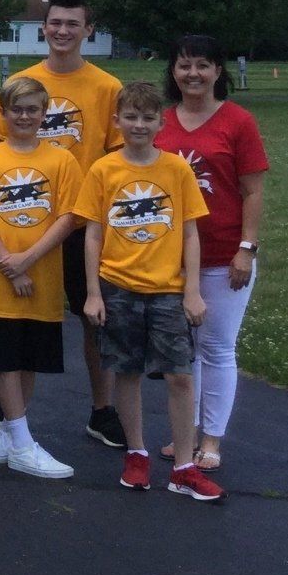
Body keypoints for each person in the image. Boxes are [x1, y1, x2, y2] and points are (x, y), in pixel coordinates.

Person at [0, 0, 125, 449]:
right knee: (13, 316)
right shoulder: (22, 82)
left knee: (92, 316)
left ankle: (102, 409)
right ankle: (0, 405)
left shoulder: (106, 87)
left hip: (80, 224)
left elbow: (118, 155)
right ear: (43, 28)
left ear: (88, 29)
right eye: (55, 23)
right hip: (22, 223)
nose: (63, 31)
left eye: (72, 24)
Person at [74, 80, 221, 502]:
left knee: (179, 374)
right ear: (117, 121)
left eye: (148, 117)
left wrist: (192, 290)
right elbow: (93, 236)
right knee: (127, 371)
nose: (139, 124)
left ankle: (184, 466)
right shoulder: (104, 170)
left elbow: (191, 234)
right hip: (118, 287)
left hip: (167, 291)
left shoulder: (176, 170)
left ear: (161, 122)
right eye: (131, 117)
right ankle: (136, 454)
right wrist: (93, 293)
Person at [154, 34, 268, 472]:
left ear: (219, 71)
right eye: (184, 65)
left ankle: (212, 439)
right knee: (182, 353)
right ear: (173, 71)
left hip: (223, 256)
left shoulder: (238, 122)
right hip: (170, 257)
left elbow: (253, 191)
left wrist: (246, 249)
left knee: (217, 348)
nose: (193, 74)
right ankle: (186, 434)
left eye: (202, 65)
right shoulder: (160, 121)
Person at [0, 75, 84, 480]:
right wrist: (8, 264)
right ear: (4, 112)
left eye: (33, 109)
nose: (26, 116)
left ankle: (8, 438)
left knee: (29, 359)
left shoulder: (62, 160)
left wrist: (27, 260)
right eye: (18, 109)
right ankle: (22, 441)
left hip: (43, 278)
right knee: (5, 358)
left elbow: (68, 217)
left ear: (45, 114)